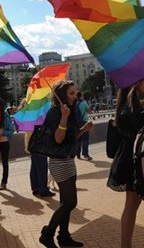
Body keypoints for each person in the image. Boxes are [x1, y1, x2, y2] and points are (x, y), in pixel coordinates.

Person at [40, 80, 93, 248]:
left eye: (75, 93)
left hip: (69, 159)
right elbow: (58, 139)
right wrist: (64, 117)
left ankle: (63, 236)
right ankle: (48, 234)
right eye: (71, 93)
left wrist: (83, 129)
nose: (74, 96)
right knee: (70, 203)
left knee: (65, 201)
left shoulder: (70, 111)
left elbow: (70, 139)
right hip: (59, 162)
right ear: (62, 95)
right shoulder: (56, 113)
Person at [108, 79, 144, 248]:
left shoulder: (123, 108)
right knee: (140, 204)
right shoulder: (136, 110)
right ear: (137, 83)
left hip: (125, 160)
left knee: (130, 206)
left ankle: (126, 245)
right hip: (136, 162)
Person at [75, 92, 92, 160]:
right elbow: (89, 111)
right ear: (81, 96)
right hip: (84, 122)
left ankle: (78, 154)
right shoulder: (84, 102)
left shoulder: (75, 103)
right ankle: (85, 154)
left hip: (77, 123)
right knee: (85, 139)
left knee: (78, 138)